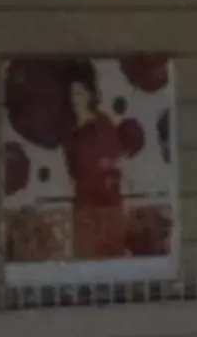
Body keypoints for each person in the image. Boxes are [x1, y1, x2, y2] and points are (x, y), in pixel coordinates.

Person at [62, 65, 128, 259]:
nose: (75, 99)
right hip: (84, 205)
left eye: (79, 93)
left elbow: (112, 158)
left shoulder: (102, 124)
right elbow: (72, 169)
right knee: (85, 256)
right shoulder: (70, 130)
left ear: (90, 94)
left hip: (106, 205)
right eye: (72, 94)